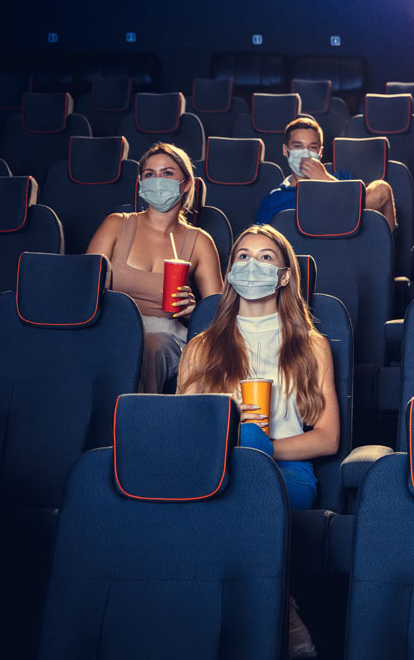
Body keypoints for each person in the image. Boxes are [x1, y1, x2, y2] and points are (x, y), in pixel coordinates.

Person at [177, 224, 337, 660]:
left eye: (265, 257)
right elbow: (185, 432)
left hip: (288, 475)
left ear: (284, 275)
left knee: (249, 437)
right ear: (229, 273)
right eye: (242, 257)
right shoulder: (201, 347)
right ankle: (287, 624)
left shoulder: (311, 346)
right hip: (216, 475)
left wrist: (258, 449)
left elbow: (327, 438)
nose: (252, 265)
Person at [87, 142, 222, 393]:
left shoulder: (200, 241)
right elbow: (84, 288)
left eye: (168, 173)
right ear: (140, 182)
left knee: (151, 346)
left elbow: (218, 316)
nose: (157, 180)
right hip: (112, 327)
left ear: (187, 184)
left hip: (165, 336)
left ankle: (140, 424)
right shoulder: (116, 225)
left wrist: (193, 312)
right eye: (150, 174)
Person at [254, 116, 397, 230]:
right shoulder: (274, 199)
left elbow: (375, 206)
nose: (305, 153)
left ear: (320, 152)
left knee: (381, 187)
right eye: (298, 146)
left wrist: (326, 180)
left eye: (312, 147)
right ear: (286, 150)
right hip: (305, 257)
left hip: (349, 252)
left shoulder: (343, 179)